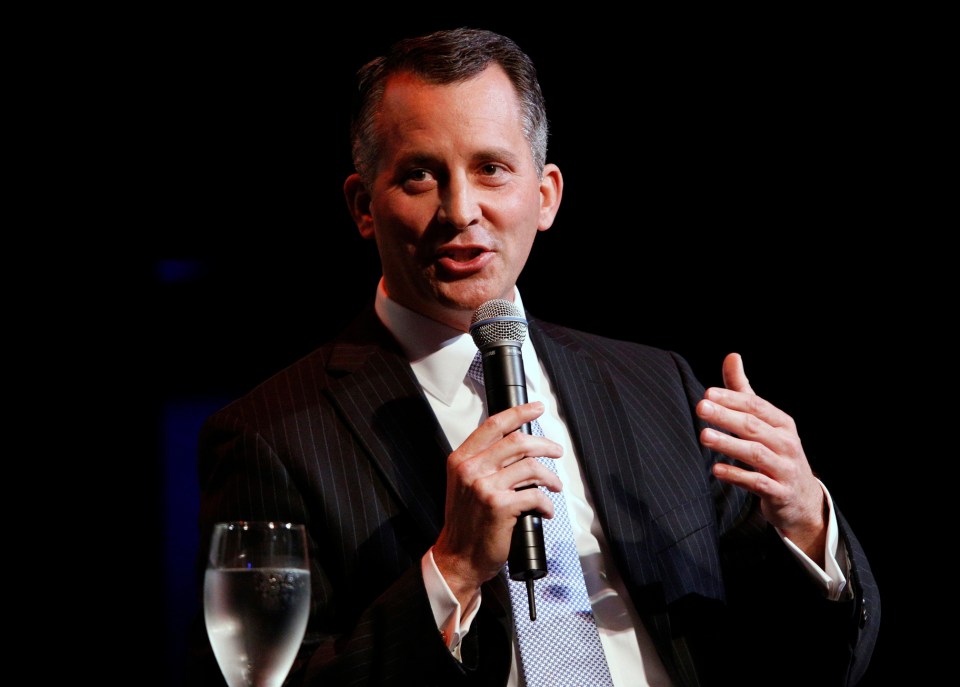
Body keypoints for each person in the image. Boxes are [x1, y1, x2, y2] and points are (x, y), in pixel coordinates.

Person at [186, 27, 880, 686]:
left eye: (491, 169)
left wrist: (807, 522)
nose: (461, 210)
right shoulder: (269, 435)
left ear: (545, 194)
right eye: (421, 176)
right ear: (363, 204)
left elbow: (807, 662)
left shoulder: (657, 386)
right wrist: (451, 569)